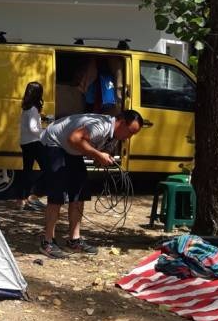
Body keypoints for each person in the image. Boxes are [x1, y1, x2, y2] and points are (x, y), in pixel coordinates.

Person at [39, 109, 145, 258]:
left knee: (79, 192)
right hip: (53, 143)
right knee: (57, 194)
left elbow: (90, 148)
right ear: (121, 122)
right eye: (130, 132)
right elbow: (74, 138)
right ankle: (48, 241)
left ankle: (74, 240)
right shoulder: (100, 126)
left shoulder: (113, 135)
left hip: (70, 149)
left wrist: (101, 156)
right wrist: (98, 155)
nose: (129, 137)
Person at [16, 81, 47, 211]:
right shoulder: (33, 109)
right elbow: (33, 128)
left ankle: (21, 201)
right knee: (48, 168)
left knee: (27, 171)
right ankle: (33, 195)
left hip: (25, 142)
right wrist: (44, 131)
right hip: (34, 142)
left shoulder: (26, 107)